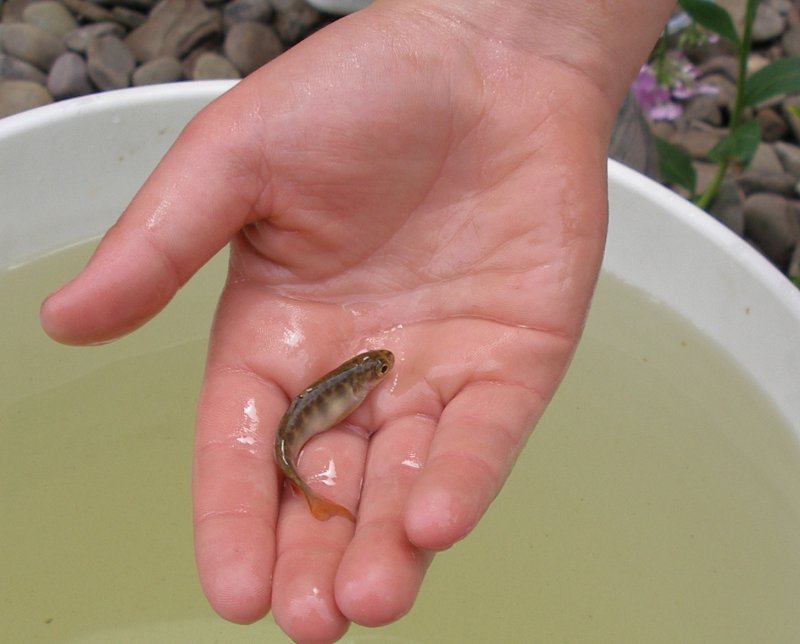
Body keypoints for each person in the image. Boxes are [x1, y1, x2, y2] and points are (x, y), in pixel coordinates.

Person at [40, 1, 676, 642]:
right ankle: (303, 485)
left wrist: (531, 47)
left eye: (376, 368)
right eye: (376, 367)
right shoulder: (357, 384)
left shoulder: (359, 384)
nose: (381, 370)